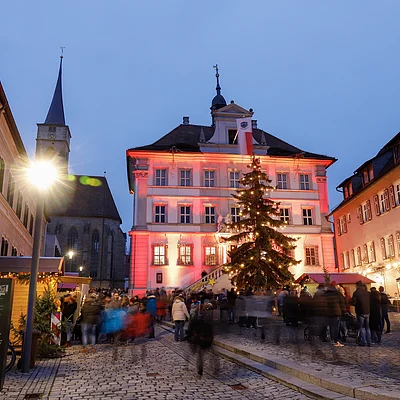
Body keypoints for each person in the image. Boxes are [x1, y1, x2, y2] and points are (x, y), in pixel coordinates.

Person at [324, 281, 346, 347]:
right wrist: (343, 312)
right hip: (336, 313)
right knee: (336, 327)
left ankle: (332, 340)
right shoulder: (338, 294)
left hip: (328, 313)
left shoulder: (326, 294)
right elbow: (342, 304)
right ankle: (336, 341)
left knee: (331, 327)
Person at [351, 280, 371, 347]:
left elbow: (353, 302)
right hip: (367, 311)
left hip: (360, 312)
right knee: (367, 327)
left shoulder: (356, 293)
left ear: (357, 285)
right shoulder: (368, 293)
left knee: (361, 327)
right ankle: (369, 342)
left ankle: (364, 341)